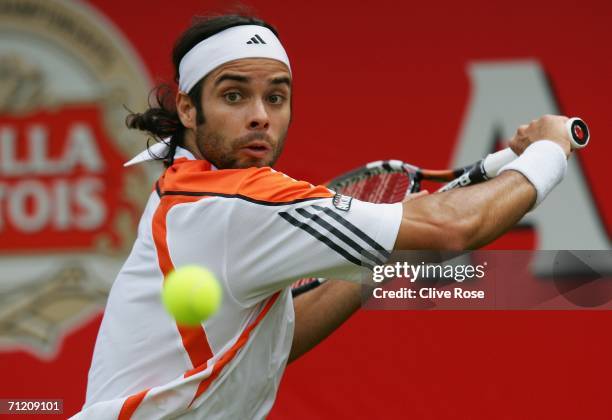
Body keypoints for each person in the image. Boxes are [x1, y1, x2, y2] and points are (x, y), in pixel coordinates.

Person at [75, 14, 573, 419]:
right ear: (188, 108)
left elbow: (265, 347)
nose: (260, 115)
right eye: (234, 95)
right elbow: (453, 227)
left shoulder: (182, 191)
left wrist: (371, 264)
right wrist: (550, 149)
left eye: (276, 97)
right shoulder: (235, 202)